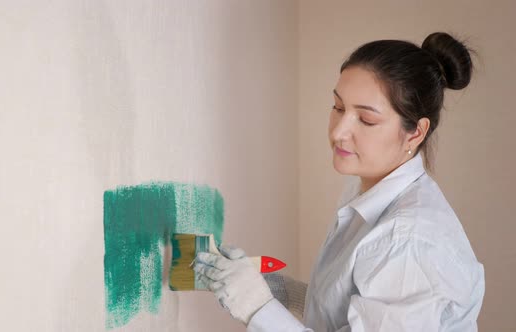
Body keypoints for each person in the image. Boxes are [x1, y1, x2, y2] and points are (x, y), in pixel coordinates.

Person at [193, 32, 485, 331]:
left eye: (366, 120)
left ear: (416, 133)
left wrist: (258, 308)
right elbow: (352, 307)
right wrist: (277, 289)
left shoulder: (406, 240)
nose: (338, 132)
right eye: (338, 107)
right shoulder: (370, 192)